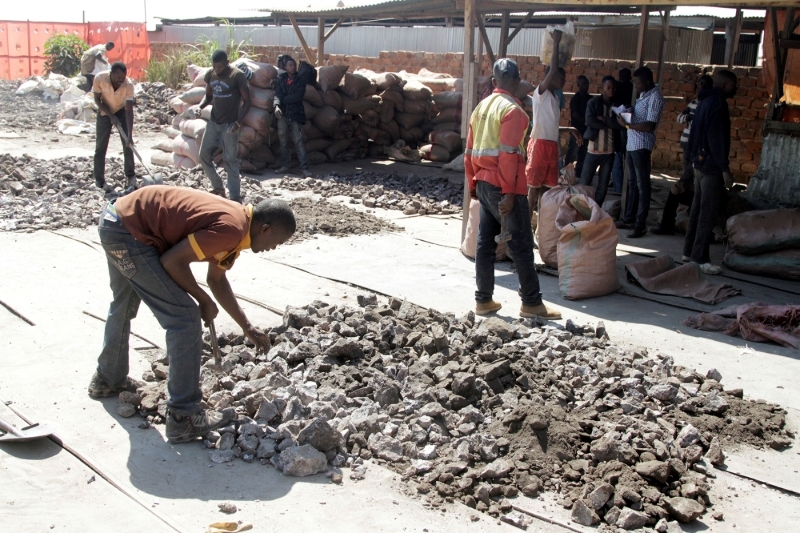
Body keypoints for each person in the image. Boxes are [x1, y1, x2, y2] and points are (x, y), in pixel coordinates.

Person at [88, 186, 296, 443]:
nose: (274, 248)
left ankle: (107, 377)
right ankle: (182, 417)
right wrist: (202, 299)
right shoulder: (232, 228)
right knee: (184, 318)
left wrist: (247, 327)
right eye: (278, 241)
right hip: (130, 232)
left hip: (116, 221)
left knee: (125, 302)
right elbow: (172, 261)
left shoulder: (239, 225)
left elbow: (217, 280)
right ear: (265, 229)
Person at [465, 58, 561, 321]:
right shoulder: (514, 112)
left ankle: (483, 300)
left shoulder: (481, 108)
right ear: (518, 83)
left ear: (494, 82)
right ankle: (531, 303)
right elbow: (508, 155)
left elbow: (469, 152)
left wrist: (473, 184)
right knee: (521, 244)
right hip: (506, 186)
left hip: (484, 183)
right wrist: (508, 193)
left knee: (485, 244)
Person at [682, 70, 738, 275]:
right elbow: (716, 138)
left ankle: (688, 251)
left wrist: (691, 160)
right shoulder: (718, 104)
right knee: (707, 212)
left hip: (698, 162)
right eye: (734, 84)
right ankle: (700, 258)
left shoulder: (704, 102)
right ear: (724, 85)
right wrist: (724, 169)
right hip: (711, 166)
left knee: (697, 209)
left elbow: (695, 133)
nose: (736, 88)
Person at [525, 30, 582, 215]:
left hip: (551, 147)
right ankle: (525, 228)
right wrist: (556, 43)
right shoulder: (540, 94)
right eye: (560, 77)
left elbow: (551, 127)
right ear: (550, 77)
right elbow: (553, 69)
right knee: (533, 190)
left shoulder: (555, 99)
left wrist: (570, 129)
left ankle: (541, 229)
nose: (563, 80)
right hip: (540, 145)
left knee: (547, 191)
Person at [652, 74, 713, 235]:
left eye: (704, 85)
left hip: (700, 153)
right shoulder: (694, 104)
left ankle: (671, 224)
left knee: (685, 186)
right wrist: (690, 117)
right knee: (681, 184)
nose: (701, 88)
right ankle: (669, 223)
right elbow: (680, 118)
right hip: (690, 147)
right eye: (699, 85)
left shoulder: (711, 106)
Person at [615, 66, 665, 238]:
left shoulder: (656, 97)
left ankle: (640, 224)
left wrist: (627, 125)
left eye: (637, 83)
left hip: (642, 145)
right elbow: (641, 118)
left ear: (647, 81)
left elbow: (649, 125)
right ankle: (629, 218)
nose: (636, 86)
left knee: (643, 186)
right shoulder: (644, 95)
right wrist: (628, 113)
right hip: (632, 144)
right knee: (632, 183)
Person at [197, 50, 251, 203]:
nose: (217, 70)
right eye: (215, 67)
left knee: (230, 161)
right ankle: (218, 187)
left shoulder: (237, 76)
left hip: (230, 125)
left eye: (220, 67)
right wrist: (199, 107)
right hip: (214, 123)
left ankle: (234, 197)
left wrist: (238, 122)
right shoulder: (211, 74)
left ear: (227, 63)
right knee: (204, 156)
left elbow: (248, 101)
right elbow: (208, 96)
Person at [580, 76, 624, 207]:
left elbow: (622, 125)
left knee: (603, 185)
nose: (611, 90)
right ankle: (583, 208)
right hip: (593, 150)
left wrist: (604, 119)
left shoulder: (617, 105)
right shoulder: (593, 103)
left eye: (613, 88)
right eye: (608, 87)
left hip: (609, 152)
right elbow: (589, 121)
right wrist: (610, 124)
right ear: (602, 88)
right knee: (585, 182)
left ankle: (596, 209)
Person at [93, 61, 135, 193]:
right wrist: (110, 115)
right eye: (117, 79)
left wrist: (129, 135)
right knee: (101, 146)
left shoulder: (128, 85)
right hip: (104, 111)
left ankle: (130, 175)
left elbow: (129, 110)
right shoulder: (100, 78)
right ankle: (99, 180)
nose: (120, 81)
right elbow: (96, 100)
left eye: (122, 79)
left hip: (121, 111)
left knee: (128, 144)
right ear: (111, 74)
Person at [274, 55, 312, 178]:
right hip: (283, 115)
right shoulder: (281, 79)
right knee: (283, 141)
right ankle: (285, 165)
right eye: (290, 65)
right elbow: (277, 94)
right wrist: (276, 106)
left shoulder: (300, 80)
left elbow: (298, 96)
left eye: (294, 65)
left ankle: (304, 168)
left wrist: (282, 100)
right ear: (285, 67)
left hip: (295, 114)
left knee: (299, 141)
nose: (293, 67)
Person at [610, 68, 634, 193]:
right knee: (627, 157)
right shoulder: (632, 88)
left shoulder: (618, 88)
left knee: (618, 156)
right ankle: (627, 186)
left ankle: (619, 187)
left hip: (620, 125)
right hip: (630, 127)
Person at [566, 75, 591, 178]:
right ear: (578, 85)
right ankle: (566, 173)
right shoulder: (576, 99)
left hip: (586, 129)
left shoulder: (590, 98)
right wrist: (587, 121)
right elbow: (575, 114)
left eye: (587, 84)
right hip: (576, 130)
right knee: (573, 152)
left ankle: (579, 173)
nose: (585, 86)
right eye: (583, 84)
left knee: (583, 153)